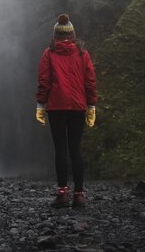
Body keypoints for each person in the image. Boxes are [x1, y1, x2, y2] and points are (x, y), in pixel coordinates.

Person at [35, 13, 98, 208]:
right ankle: (79, 195)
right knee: (75, 150)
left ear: (55, 35)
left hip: (56, 108)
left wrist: (40, 105)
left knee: (60, 150)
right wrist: (91, 105)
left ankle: (62, 194)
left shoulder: (49, 53)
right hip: (78, 107)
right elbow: (90, 81)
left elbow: (44, 81)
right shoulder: (82, 54)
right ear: (72, 35)